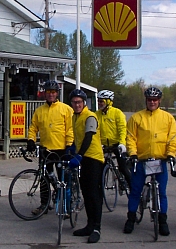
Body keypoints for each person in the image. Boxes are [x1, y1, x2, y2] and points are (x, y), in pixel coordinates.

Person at [124, 87, 176, 236]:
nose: (152, 102)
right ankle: (130, 219)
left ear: (159, 101)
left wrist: (171, 154)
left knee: (161, 192)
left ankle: (162, 221)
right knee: (135, 191)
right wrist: (133, 154)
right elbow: (130, 137)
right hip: (141, 159)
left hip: (160, 160)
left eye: (155, 100)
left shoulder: (168, 118)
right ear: (146, 101)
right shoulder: (136, 118)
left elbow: (173, 137)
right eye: (150, 100)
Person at [27, 80, 74, 215]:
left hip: (61, 149)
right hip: (45, 149)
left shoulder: (66, 109)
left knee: (63, 179)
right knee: (44, 178)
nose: (51, 95)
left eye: (53, 92)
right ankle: (44, 204)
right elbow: (33, 127)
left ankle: (67, 204)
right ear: (44, 94)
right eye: (48, 92)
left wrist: (69, 144)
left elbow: (70, 129)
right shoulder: (39, 111)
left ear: (57, 93)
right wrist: (31, 140)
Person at [69, 89, 104, 243]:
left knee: (93, 194)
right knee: (86, 192)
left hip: (94, 158)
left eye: (79, 102)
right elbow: (78, 137)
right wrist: (71, 147)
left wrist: (79, 154)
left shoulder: (90, 116)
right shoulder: (75, 117)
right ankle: (89, 225)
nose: (77, 105)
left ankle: (96, 227)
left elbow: (88, 137)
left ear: (84, 103)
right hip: (84, 157)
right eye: (74, 102)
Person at [95, 89, 131, 188]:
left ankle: (135, 192)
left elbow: (122, 129)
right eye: (98, 101)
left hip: (117, 144)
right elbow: (95, 131)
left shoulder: (117, 113)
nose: (99, 103)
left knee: (123, 168)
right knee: (100, 170)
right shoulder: (96, 114)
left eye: (101, 101)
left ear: (109, 101)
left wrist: (122, 143)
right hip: (104, 146)